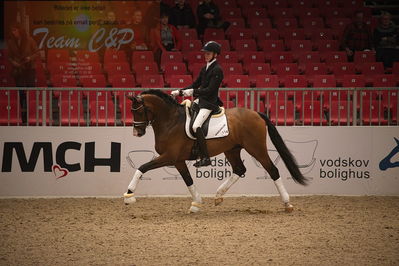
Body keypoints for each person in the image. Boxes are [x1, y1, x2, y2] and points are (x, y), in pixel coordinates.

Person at [171, 41, 224, 167]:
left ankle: (205, 157)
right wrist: (180, 91)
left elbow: (210, 90)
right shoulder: (205, 68)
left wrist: (193, 92)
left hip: (209, 103)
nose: (205, 55)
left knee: (196, 126)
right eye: (205, 53)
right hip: (200, 101)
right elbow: (195, 84)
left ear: (215, 54)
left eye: (208, 53)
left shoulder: (217, 70)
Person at [7, 22, 39, 87]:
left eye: (15, 30)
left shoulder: (29, 40)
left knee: (31, 88)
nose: (13, 32)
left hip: (29, 67)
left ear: (20, 30)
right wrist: (14, 63)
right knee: (20, 89)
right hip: (18, 69)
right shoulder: (10, 42)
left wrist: (29, 58)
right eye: (12, 30)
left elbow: (37, 53)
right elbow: (9, 56)